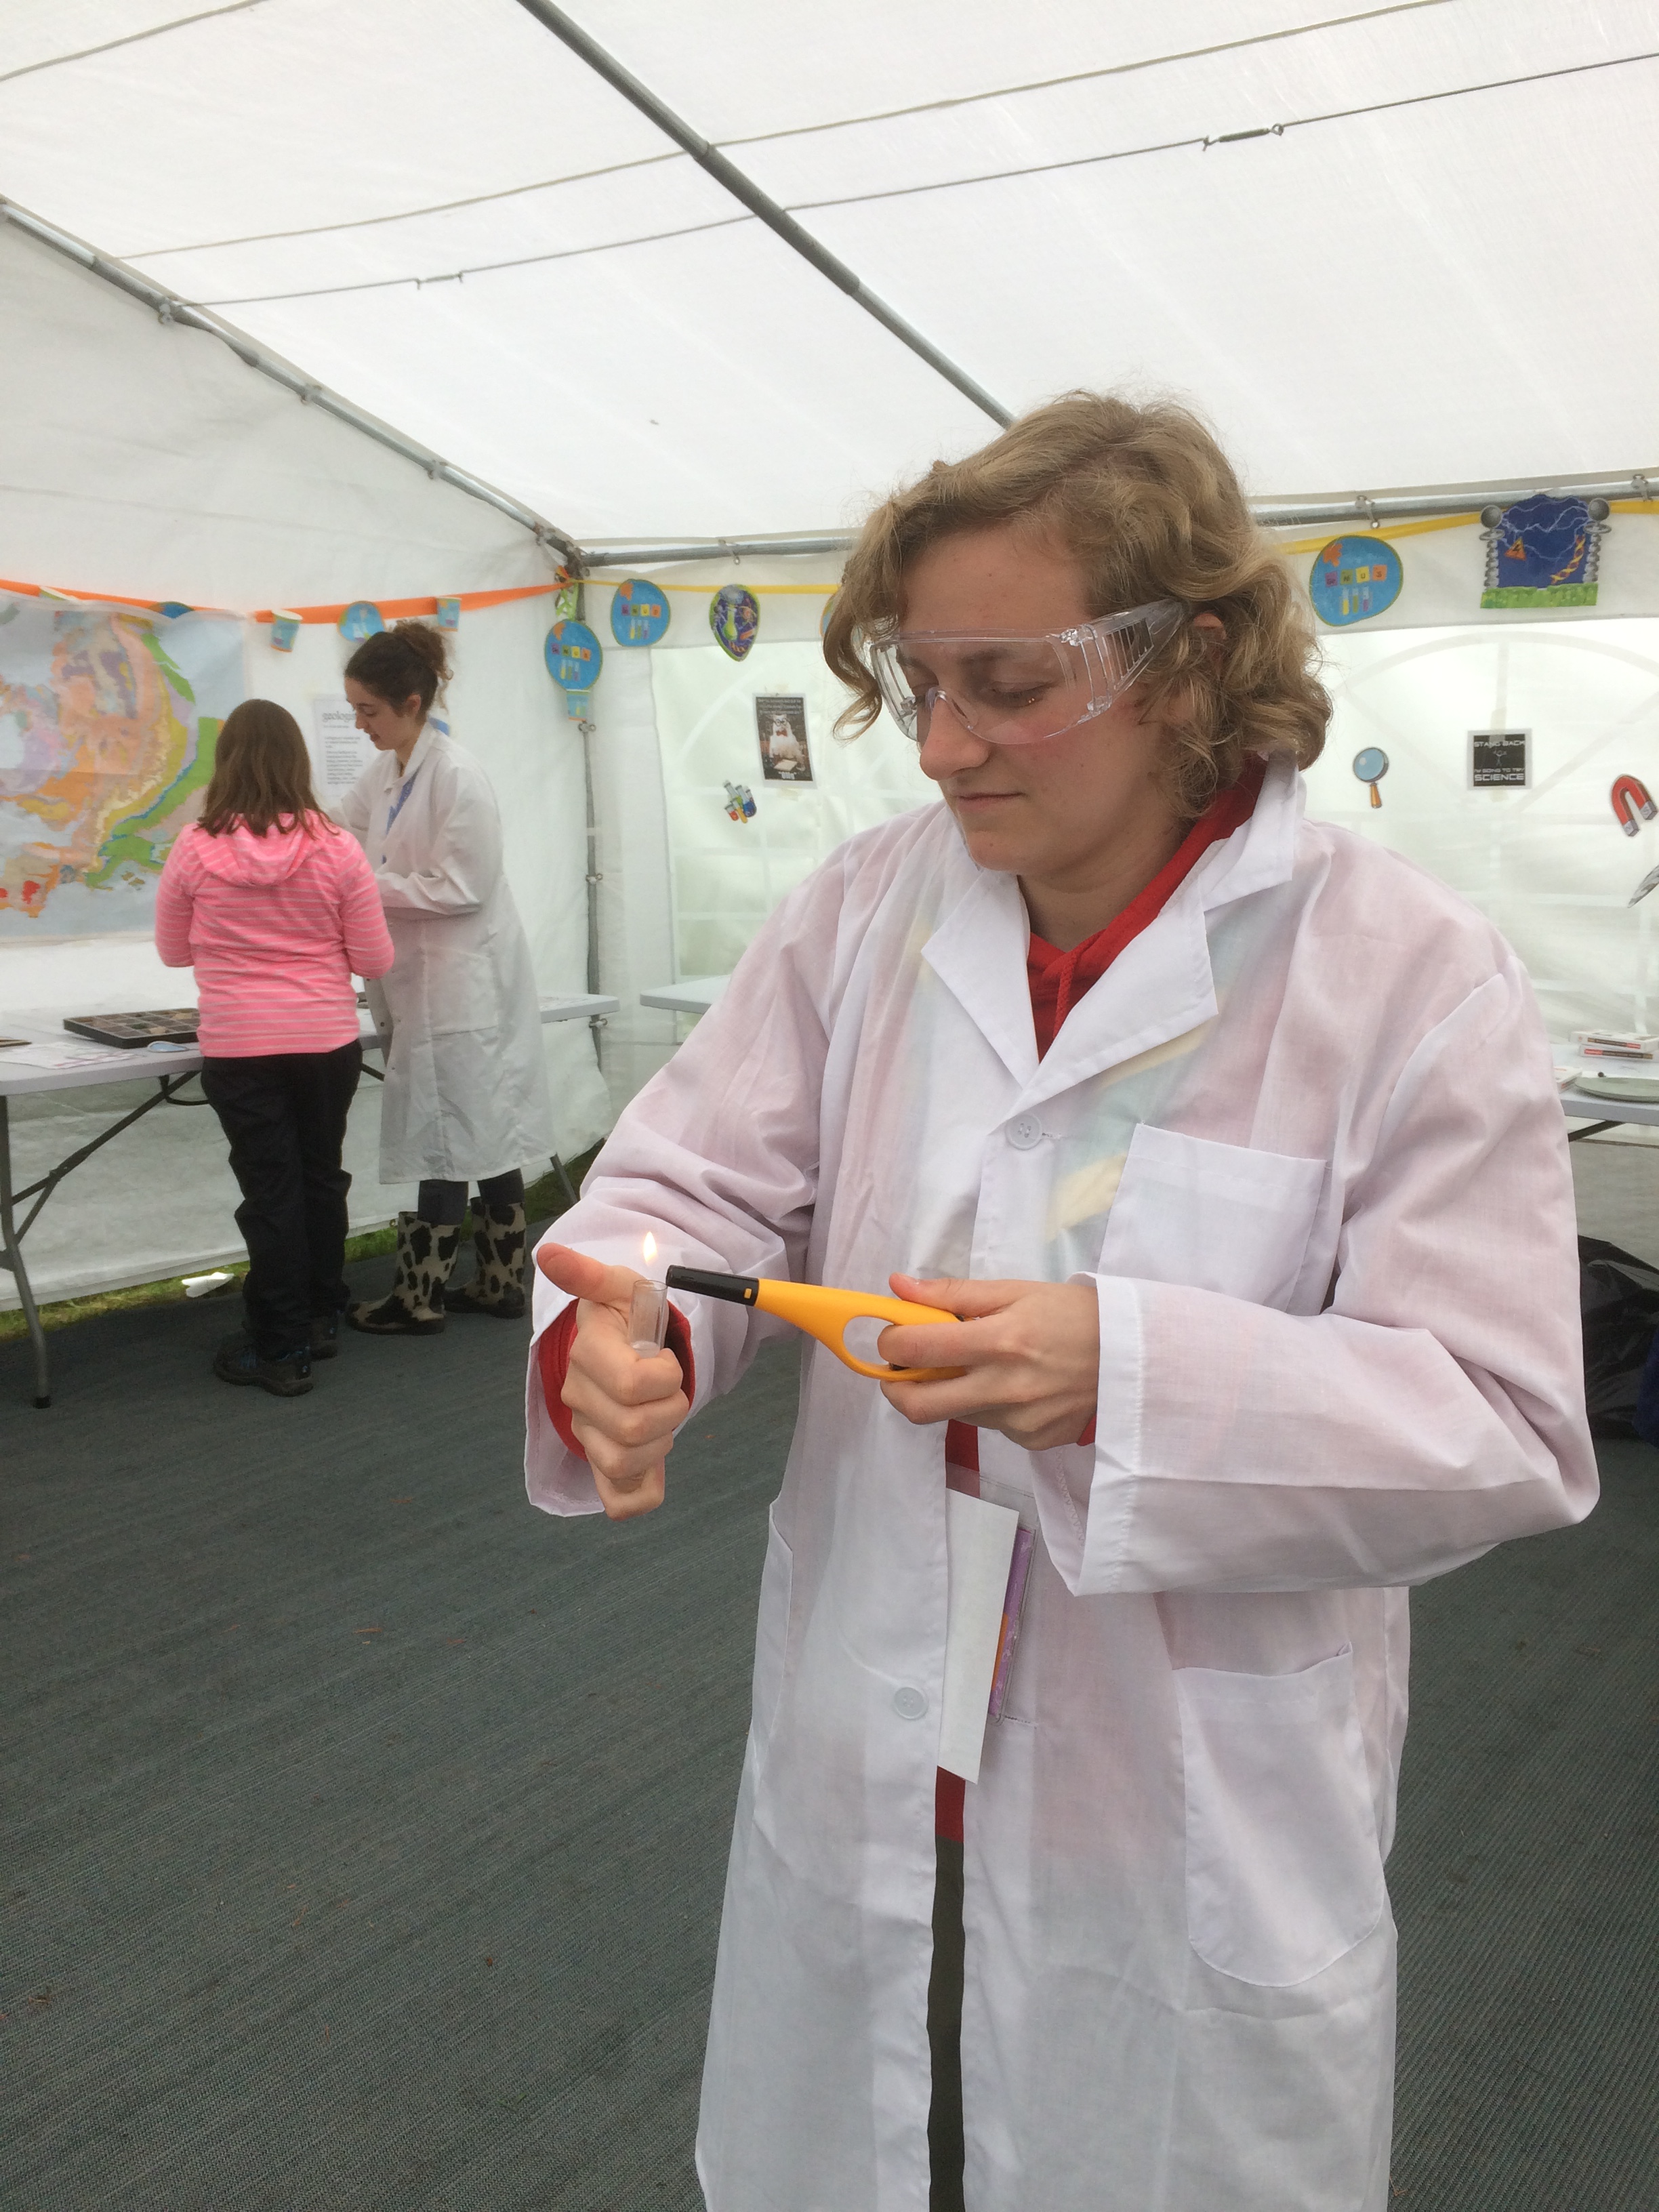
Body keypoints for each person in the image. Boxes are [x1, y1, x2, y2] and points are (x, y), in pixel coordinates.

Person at [524, 394, 1597, 2212]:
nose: (943, 745)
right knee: (859, 2137)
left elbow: (1502, 1422)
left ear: (1187, 660)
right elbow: (689, 1188)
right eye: (919, 683)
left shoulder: (1407, 976)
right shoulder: (863, 912)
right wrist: (630, 1329)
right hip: (875, 1723)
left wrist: (1135, 1371)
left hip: (1174, 1784)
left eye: (1007, 684)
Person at [156, 699, 393, 1396]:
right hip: (325, 1041)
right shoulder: (337, 846)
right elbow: (374, 959)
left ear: (226, 761)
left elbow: (173, 951)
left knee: (272, 1193)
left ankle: (280, 1344)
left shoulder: (194, 846)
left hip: (241, 1045)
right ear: (297, 761)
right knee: (321, 1178)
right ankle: (320, 1315)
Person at [336, 619, 554, 1334]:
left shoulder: (457, 775)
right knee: (477, 1127)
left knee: (453, 1132)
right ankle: (498, 1282)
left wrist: (365, 887)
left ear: (411, 702)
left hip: (467, 983)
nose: (360, 724)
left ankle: (419, 1295)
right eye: (355, 710)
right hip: (428, 978)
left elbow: (464, 885)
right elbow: (339, 834)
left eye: (369, 710)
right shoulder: (387, 772)